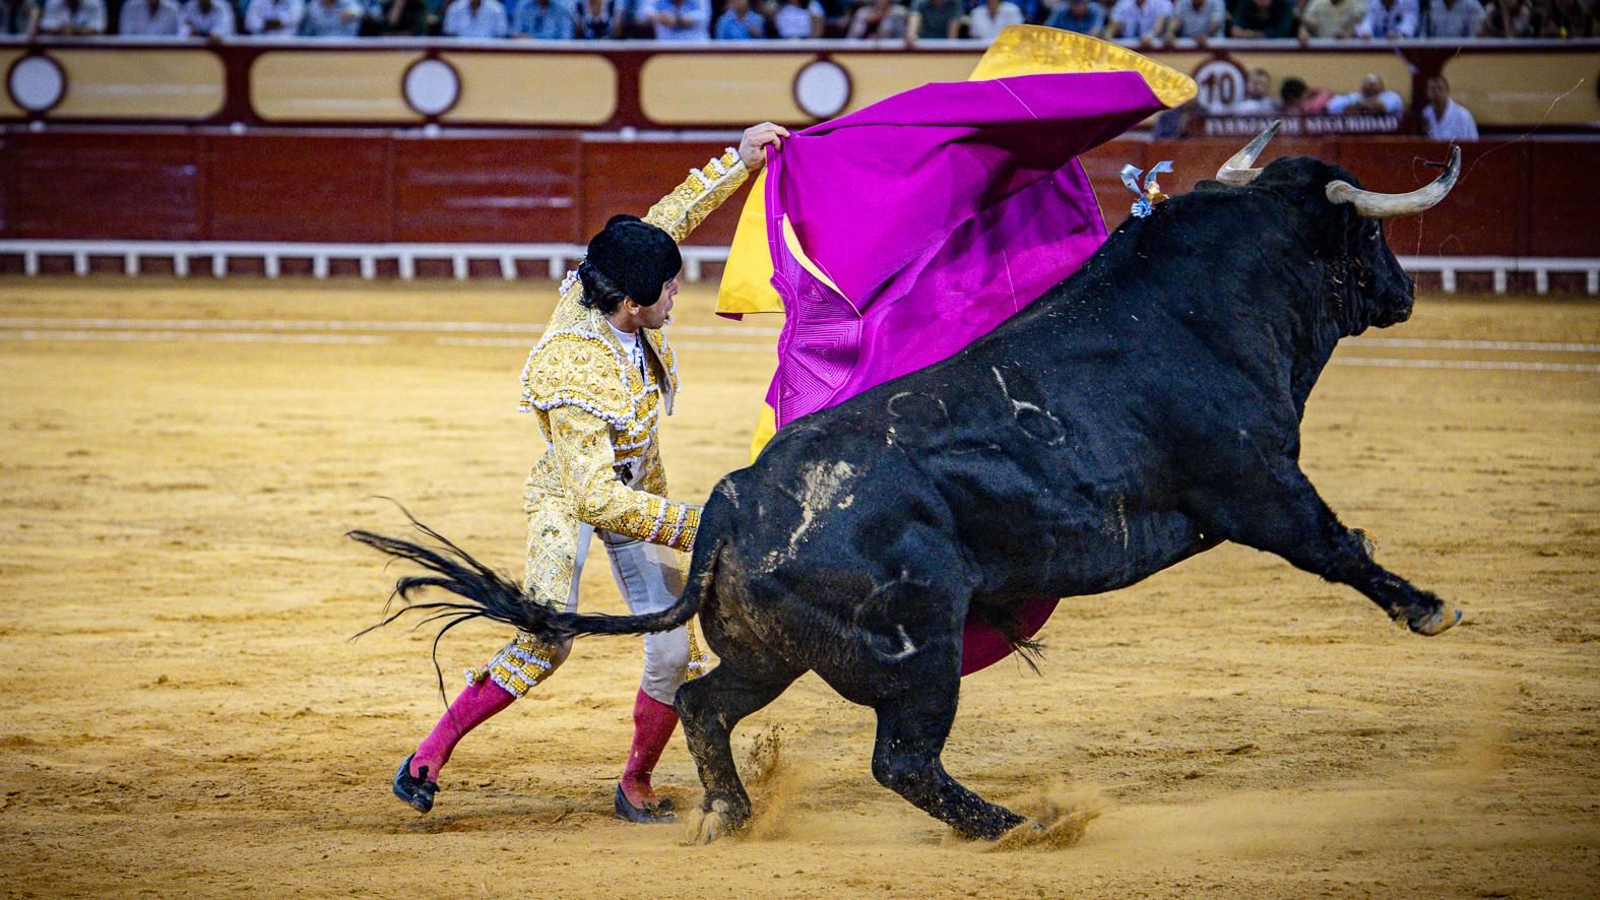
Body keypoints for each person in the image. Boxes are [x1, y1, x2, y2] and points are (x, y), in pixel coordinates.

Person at [389, 122, 792, 825]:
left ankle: (635, 782)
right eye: (667, 289)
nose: (677, 294)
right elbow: (596, 496)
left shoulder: (612, 280)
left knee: (674, 647)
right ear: (632, 305)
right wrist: (705, 525)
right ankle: (431, 751)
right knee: (547, 638)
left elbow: (664, 222)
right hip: (574, 499)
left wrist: (740, 161)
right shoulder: (573, 365)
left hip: (637, 491)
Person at [1422, 74, 1478, 139]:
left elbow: (1473, 141)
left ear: (1447, 91)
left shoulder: (1463, 115)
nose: (1436, 93)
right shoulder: (1426, 113)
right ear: (1427, 92)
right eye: (1432, 89)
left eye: (1440, 88)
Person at [1326, 72, 1403, 114]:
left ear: (1382, 86)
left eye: (1373, 84)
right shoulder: (1355, 96)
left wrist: (1357, 106)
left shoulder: (1391, 96)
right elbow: (1331, 107)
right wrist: (1359, 105)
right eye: (1366, 83)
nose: (1369, 86)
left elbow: (1381, 108)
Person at [1106, 0, 1173, 41]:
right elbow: (1114, 24)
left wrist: (1151, 35)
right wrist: (1108, 35)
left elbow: (1160, 21)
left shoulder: (1161, 2)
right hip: (1129, 46)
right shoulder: (1123, 3)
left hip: (1153, 46)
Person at [1299, 0, 1367, 37]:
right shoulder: (1318, 2)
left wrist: (1347, 34)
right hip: (1322, 48)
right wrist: (1304, 32)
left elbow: (1357, 23)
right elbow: (1305, 25)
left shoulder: (1353, 4)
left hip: (1347, 49)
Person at [442, 0, 508, 34]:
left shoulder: (497, 9)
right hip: (461, 52)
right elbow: (449, 33)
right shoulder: (455, 8)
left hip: (490, 53)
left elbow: (501, 35)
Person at [36, 0, 104, 32]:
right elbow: (46, 25)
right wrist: (61, 29)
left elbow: (99, 26)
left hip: (88, 47)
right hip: (59, 45)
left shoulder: (94, 3)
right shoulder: (53, 2)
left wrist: (76, 30)